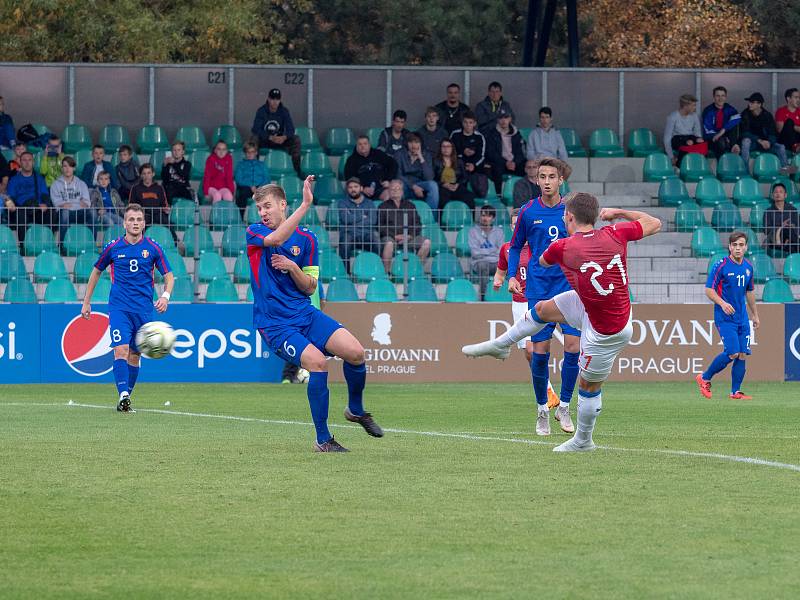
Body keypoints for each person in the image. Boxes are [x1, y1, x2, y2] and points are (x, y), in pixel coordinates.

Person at [463, 194, 662, 451]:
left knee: (589, 387)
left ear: (568, 217)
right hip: (594, 305)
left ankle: (583, 441)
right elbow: (654, 223)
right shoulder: (615, 232)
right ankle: (502, 344)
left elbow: (544, 260)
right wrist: (618, 213)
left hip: (607, 330)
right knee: (543, 309)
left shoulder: (564, 247)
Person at [247, 176, 383, 452]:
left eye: (267, 206)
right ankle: (323, 440)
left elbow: (310, 287)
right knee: (317, 363)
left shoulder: (307, 239)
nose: (262, 213)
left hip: (305, 314)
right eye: (259, 208)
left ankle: (355, 410)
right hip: (275, 325)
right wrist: (307, 204)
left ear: (282, 204)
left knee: (356, 353)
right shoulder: (255, 232)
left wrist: (292, 267)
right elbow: (276, 238)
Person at [498, 158, 581, 436]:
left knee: (573, 348)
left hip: (569, 287)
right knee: (540, 353)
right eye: (541, 176)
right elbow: (515, 246)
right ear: (536, 180)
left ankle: (565, 407)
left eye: (551, 177)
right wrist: (511, 275)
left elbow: (582, 240)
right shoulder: (527, 211)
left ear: (561, 181)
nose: (546, 181)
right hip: (539, 290)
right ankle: (542, 410)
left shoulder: (571, 211)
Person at [81, 203, 174, 412]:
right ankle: (123, 394)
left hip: (143, 310)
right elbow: (96, 271)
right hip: (119, 308)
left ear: (144, 223)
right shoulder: (114, 247)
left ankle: (126, 399)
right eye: (131, 219)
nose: (135, 223)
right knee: (120, 350)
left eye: (139, 219)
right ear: (124, 223)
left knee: (135, 354)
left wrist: (165, 296)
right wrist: (86, 301)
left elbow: (169, 276)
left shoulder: (153, 248)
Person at [494, 209, 561, 409]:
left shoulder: (536, 245)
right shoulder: (507, 248)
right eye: (513, 224)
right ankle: (548, 390)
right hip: (519, 303)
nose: (516, 227)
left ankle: (554, 394)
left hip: (540, 300)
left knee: (541, 346)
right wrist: (498, 282)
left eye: (519, 224)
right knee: (529, 352)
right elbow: (500, 272)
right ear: (511, 227)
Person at [695, 232, 760, 401]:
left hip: (743, 318)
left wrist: (755, 315)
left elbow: (750, 292)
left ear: (746, 247)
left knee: (743, 353)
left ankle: (735, 392)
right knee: (732, 352)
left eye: (741, 245)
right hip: (725, 318)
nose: (738, 248)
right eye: (735, 245)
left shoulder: (748, 267)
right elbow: (709, 290)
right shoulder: (721, 265)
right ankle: (705, 377)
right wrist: (722, 303)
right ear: (730, 247)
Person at [377, 179, 431, 272]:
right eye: (392, 188)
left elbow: (417, 224)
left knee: (426, 242)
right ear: (389, 191)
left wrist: (409, 235)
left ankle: (415, 270)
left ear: (402, 191)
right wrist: (394, 236)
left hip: (409, 237)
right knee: (388, 244)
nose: (395, 190)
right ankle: (387, 273)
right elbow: (379, 226)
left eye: (398, 188)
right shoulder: (382, 206)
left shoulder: (410, 205)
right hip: (391, 238)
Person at [251, 88, 302, 177]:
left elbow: (291, 129)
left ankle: (296, 170)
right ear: (268, 99)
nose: (275, 102)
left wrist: (284, 137)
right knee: (254, 139)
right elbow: (256, 129)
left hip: (280, 140)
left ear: (280, 100)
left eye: (277, 99)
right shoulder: (261, 111)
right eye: (272, 99)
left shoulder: (284, 111)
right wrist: (269, 137)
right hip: (266, 140)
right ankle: (254, 170)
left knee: (296, 139)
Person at [4, 151, 50, 242]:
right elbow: (9, 197)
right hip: (21, 209)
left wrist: (45, 204)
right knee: (20, 213)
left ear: (33, 162)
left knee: (51, 213)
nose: (27, 162)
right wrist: (10, 204)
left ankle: (46, 243)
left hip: (37, 208)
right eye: (24, 160)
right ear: (20, 163)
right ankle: (23, 245)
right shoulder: (14, 179)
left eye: (29, 160)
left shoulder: (39, 178)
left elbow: (45, 195)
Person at [739, 92, 789, 169]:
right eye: (750, 102)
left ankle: (787, 172)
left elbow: (773, 133)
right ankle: (744, 170)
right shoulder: (745, 114)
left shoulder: (767, 115)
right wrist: (759, 140)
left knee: (781, 147)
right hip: (753, 143)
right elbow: (744, 133)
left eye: (752, 102)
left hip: (766, 144)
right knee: (746, 141)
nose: (749, 104)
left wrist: (769, 142)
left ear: (759, 104)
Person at [337, 177, 380, 263]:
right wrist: (362, 216)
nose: (353, 189)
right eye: (350, 187)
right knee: (345, 242)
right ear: (347, 190)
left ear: (361, 188)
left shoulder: (369, 203)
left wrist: (352, 218)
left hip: (366, 234)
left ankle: (376, 268)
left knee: (377, 242)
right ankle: (346, 272)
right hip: (349, 233)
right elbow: (345, 219)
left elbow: (372, 221)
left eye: (355, 187)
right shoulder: (342, 203)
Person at [50, 156, 94, 238]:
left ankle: (92, 243)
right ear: (62, 168)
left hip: (79, 212)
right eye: (65, 166)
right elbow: (56, 202)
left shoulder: (81, 184)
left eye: (70, 166)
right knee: (65, 212)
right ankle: (62, 245)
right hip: (63, 213)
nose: (67, 169)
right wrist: (76, 202)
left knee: (92, 213)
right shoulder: (55, 184)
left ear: (74, 168)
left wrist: (69, 204)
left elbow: (87, 202)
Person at [343, 135, 397, 202]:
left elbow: (393, 165)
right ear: (356, 146)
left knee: (389, 196)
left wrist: (389, 180)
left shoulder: (379, 154)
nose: (363, 146)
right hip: (361, 190)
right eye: (360, 144)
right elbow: (349, 178)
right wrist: (362, 188)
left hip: (380, 188)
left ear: (369, 145)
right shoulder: (351, 160)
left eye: (365, 144)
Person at [484, 108, 525, 193]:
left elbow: (520, 152)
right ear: (497, 120)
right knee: (495, 169)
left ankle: (524, 192)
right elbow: (491, 153)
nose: (503, 121)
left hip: (514, 163)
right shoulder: (492, 133)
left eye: (506, 118)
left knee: (528, 167)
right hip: (500, 162)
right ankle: (499, 194)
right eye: (501, 118)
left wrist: (514, 162)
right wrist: (505, 162)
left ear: (510, 119)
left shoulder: (516, 134)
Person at [450, 111, 489, 198]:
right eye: (465, 122)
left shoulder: (479, 137)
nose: (468, 125)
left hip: (474, 169)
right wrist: (462, 153)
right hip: (458, 168)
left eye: (470, 122)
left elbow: (481, 156)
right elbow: (450, 152)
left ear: (474, 123)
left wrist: (473, 165)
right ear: (462, 123)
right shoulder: (455, 135)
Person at [396, 133, 439, 211]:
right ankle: (400, 218)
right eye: (411, 142)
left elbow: (429, 177)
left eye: (416, 142)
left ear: (421, 144)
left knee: (433, 185)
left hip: (420, 185)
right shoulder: (400, 154)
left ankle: (431, 218)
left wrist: (421, 159)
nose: (413, 145)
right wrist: (413, 186)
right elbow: (398, 174)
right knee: (397, 187)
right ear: (407, 143)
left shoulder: (426, 155)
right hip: (404, 185)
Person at [663, 93, 705, 165]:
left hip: (690, 138)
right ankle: (679, 167)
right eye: (693, 105)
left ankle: (700, 167)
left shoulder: (694, 116)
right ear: (685, 106)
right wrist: (671, 157)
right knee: (686, 144)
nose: (695, 108)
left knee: (701, 143)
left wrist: (698, 140)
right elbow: (667, 139)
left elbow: (697, 133)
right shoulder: (673, 117)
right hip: (677, 139)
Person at [434, 138, 475, 210]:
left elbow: (464, 177)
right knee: (443, 199)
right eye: (443, 146)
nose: (446, 149)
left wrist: (457, 184)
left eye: (448, 146)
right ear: (440, 148)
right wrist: (443, 184)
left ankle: (469, 219)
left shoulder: (459, 161)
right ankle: (444, 220)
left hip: (456, 185)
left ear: (452, 148)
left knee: (469, 196)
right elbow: (432, 178)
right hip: (442, 186)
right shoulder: (435, 161)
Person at [468, 204, 505, 284]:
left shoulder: (499, 232)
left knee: (506, 267)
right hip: (479, 262)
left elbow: (500, 251)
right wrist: (492, 252)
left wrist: (485, 253)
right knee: (483, 266)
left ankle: (503, 294)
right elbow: (475, 253)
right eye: (483, 215)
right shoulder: (473, 232)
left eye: (488, 216)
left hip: (495, 261)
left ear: (493, 218)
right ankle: (484, 295)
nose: (485, 218)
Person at [701, 86, 741, 158]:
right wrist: (721, 136)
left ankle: (734, 145)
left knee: (734, 124)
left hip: (726, 137)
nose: (720, 98)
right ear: (713, 97)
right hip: (712, 139)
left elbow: (737, 119)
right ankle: (722, 167)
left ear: (726, 97)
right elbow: (708, 131)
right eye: (718, 96)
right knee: (721, 142)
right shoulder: (708, 110)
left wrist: (723, 131)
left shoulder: (729, 108)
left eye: (723, 96)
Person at [234, 141, 271, 218]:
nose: (250, 154)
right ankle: (240, 217)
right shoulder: (241, 165)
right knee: (242, 194)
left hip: (260, 188)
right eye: (248, 152)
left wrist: (258, 187)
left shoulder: (261, 165)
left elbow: (267, 178)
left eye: (252, 152)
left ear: (256, 152)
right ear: (245, 153)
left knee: (266, 195)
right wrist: (251, 186)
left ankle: (265, 218)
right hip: (246, 188)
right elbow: (238, 179)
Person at [128, 163, 171, 228]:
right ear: (141, 175)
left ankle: (174, 238)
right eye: (144, 173)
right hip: (143, 215)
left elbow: (164, 204)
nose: (146, 176)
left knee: (167, 223)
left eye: (149, 173)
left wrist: (166, 209)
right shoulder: (135, 188)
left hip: (158, 214)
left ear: (153, 174)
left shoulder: (159, 188)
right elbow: (131, 205)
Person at [763, 182, 800, 256]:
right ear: (773, 195)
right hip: (776, 239)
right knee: (786, 229)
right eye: (776, 192)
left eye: (780, 192)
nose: (778, 194)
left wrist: (791, 227)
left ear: (785, 195)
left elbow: (798, 226)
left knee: (791, 244)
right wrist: (781, 226)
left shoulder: (792, 210)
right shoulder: (768, 211)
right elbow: (766, 230)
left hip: (791, 240)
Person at [775, 88, 800, 153]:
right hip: (785, 140)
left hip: (797, 139)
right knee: (789, 122)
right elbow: (780, 130)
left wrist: (793, 127)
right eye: (796, 97)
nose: (798, 100)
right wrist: (794, 127)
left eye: (799, 98)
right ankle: (795, 146)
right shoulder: (781, 111)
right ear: (788, 98)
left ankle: (797, 146)